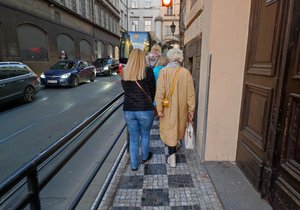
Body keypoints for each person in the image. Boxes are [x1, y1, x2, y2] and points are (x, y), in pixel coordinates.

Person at [155, 48, 196, 168]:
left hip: (167, 108)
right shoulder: (185, 72)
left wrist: (159, 109)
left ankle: (172, 157)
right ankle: (175, 147)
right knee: (177, 128)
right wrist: (191, 110)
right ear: (180, 59)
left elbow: (160, 93)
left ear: (170, 58)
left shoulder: (164, 72)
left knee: (169, 129)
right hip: (181, 108)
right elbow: (190, 94)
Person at [121, 48, 156, 171]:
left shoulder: (124, 72)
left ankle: (134, 165)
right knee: (145, 135)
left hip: (129, 109)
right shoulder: (148, 71)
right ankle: (145, 157)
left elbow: (125, 90)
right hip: (145, 109)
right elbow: (153, 91)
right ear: (142, 58)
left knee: (134, 138)